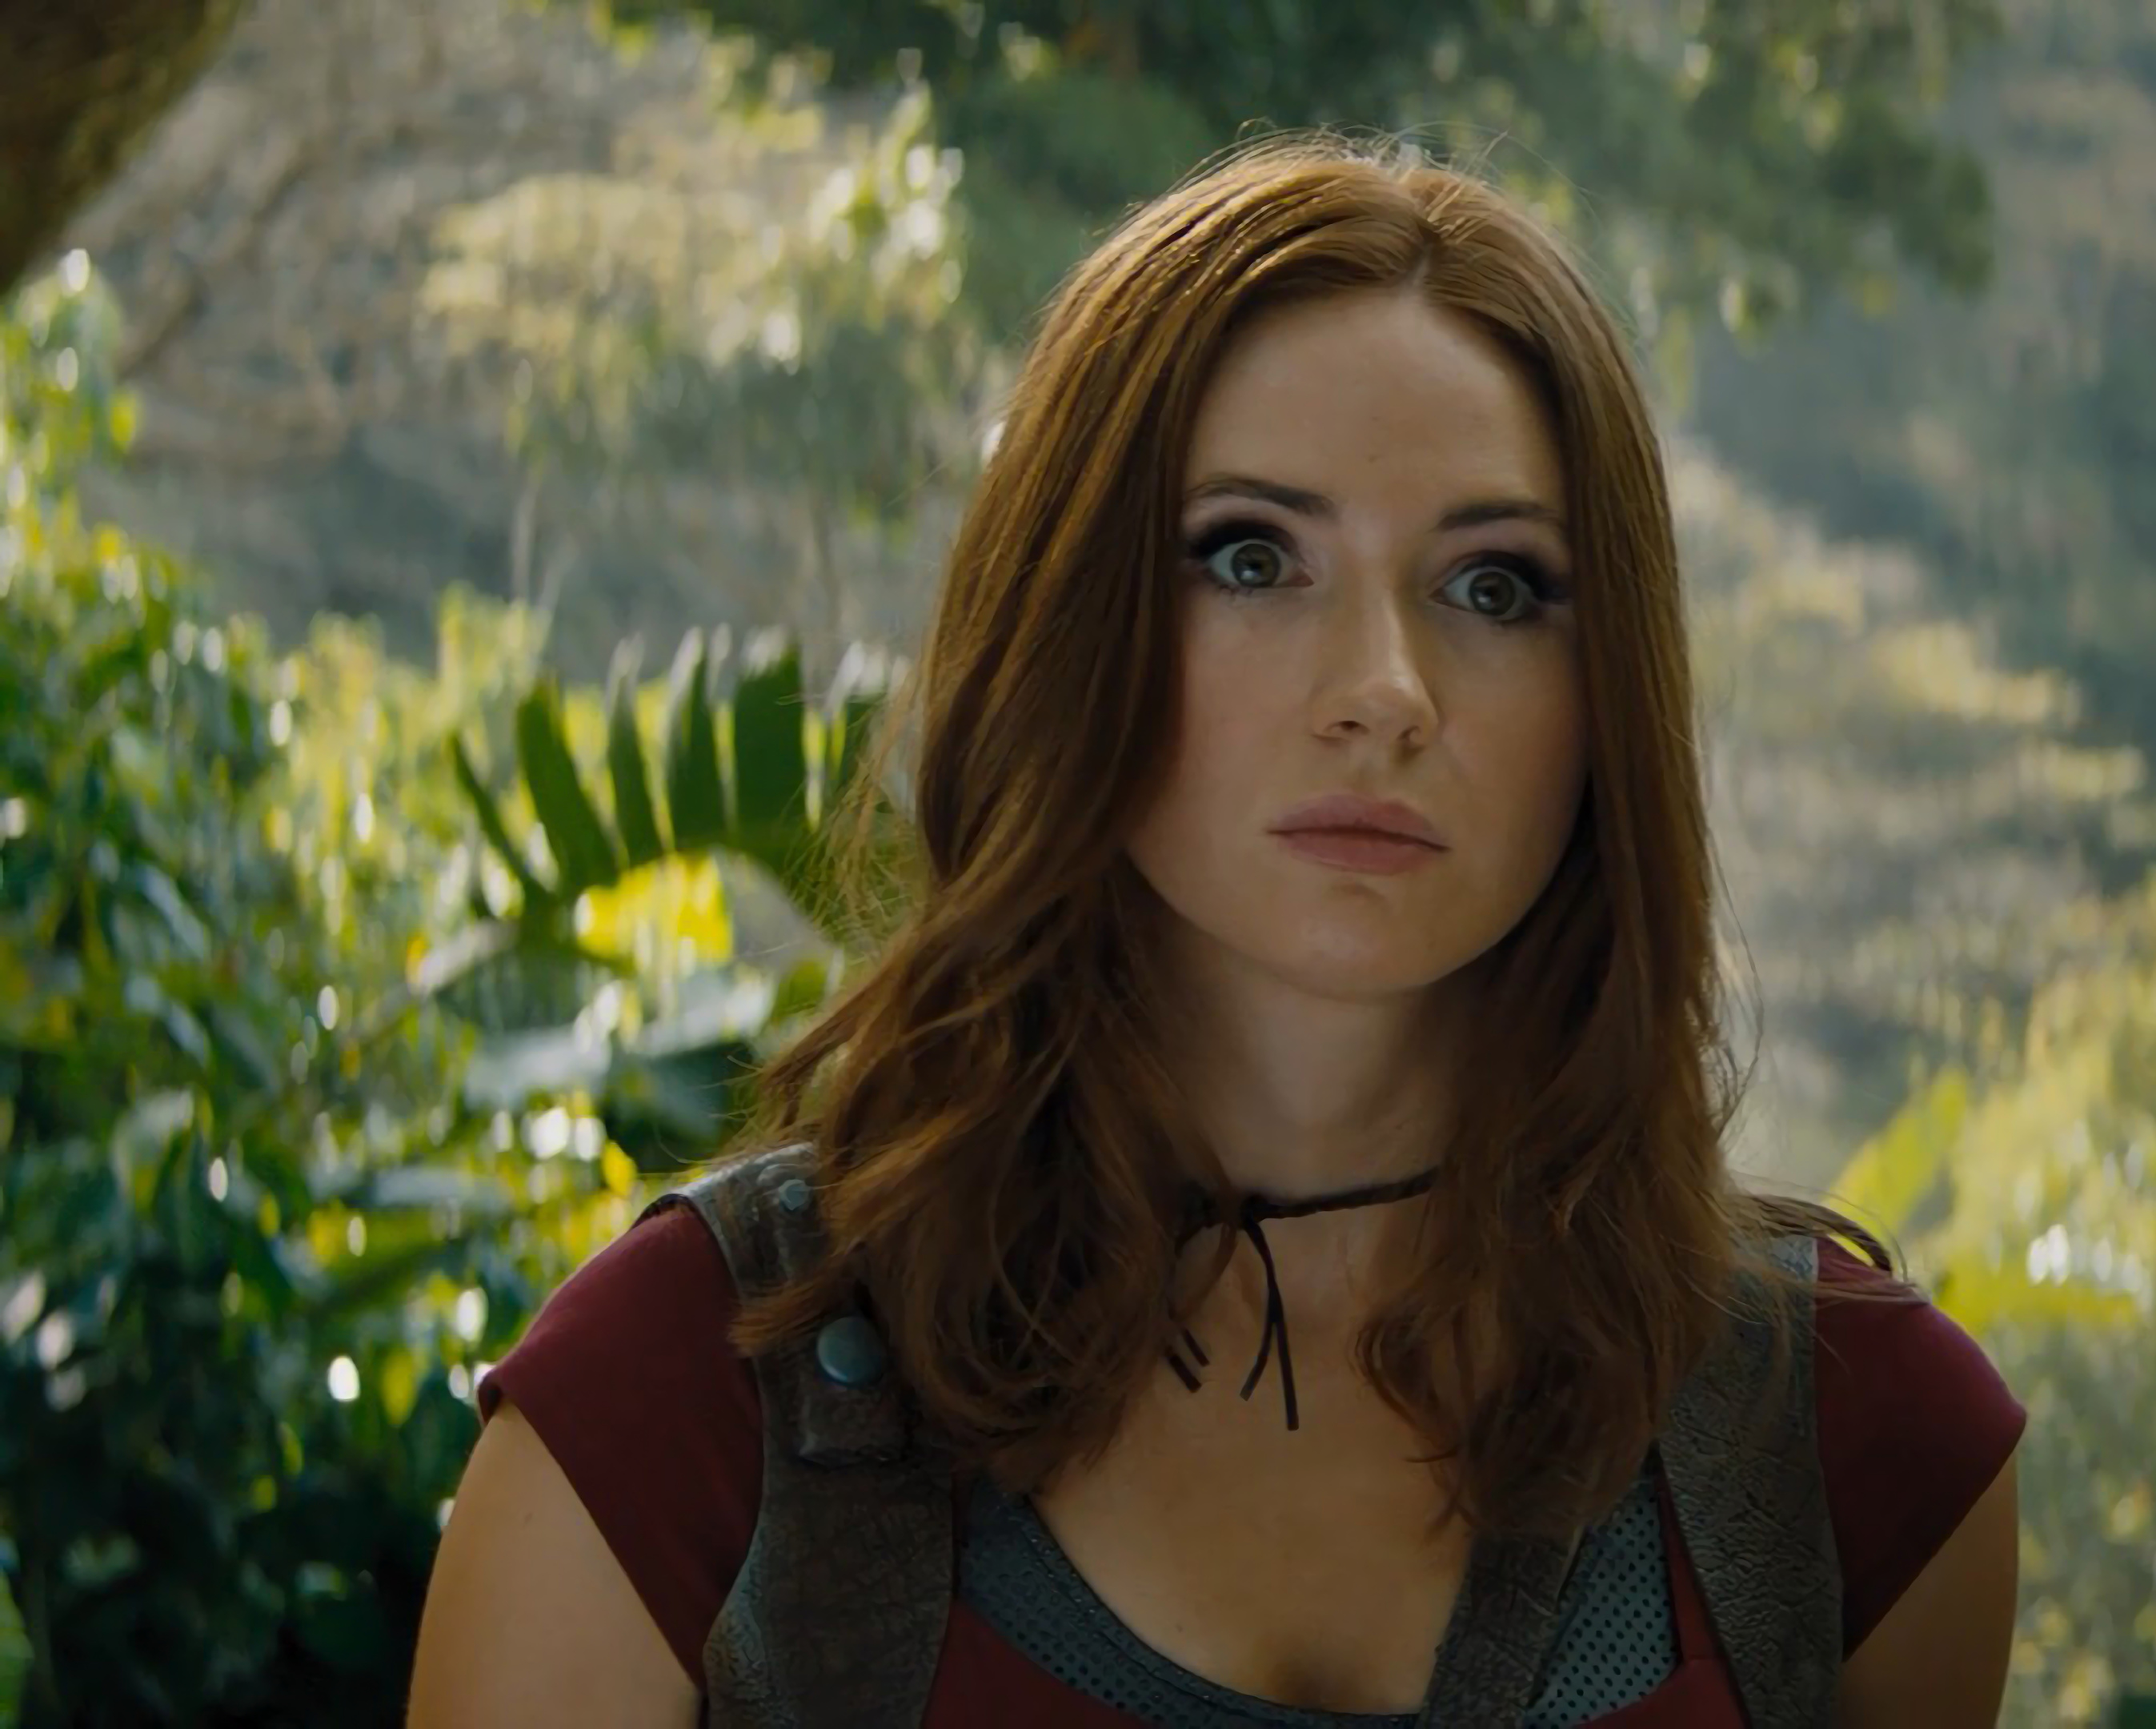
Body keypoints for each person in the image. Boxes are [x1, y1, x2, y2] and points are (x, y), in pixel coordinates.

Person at [408, 134, 2025, 1728]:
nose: (1383, 692)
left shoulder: (1862, 1458)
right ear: (1067, 623)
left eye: (1496, 587)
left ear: (1611, 698)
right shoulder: (669, 1417)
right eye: (1252, 558)